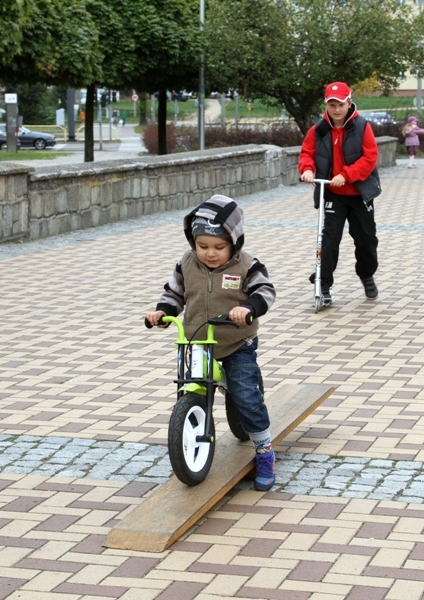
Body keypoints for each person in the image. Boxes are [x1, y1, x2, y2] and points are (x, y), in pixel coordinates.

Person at [145, 195, 278, 490]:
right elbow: (174, 294)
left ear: (235, 241)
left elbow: (265, 291)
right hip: (197, 341)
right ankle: (187, 438)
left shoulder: (247, 265)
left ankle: (265, 450)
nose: (210, 253)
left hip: (236, 343)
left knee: (246, 396)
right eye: (202, 246)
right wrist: (162, 312)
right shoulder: (187, 263)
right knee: (187, 386)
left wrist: (250, 309)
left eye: (219, 247)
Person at [298, 81, 382, 306]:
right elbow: (307, 152)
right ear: (326, 105)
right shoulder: (319, 129)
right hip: (333, 194)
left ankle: (366, 275)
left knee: (366, 241)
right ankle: (323, 285)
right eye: (332, 104)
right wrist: (306, 169)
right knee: (328, 240)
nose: (336, 109)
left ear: (349, 103)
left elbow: (369, 158)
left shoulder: (362, 127)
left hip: (358, 193)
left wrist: (346, 175)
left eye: (341, 104)